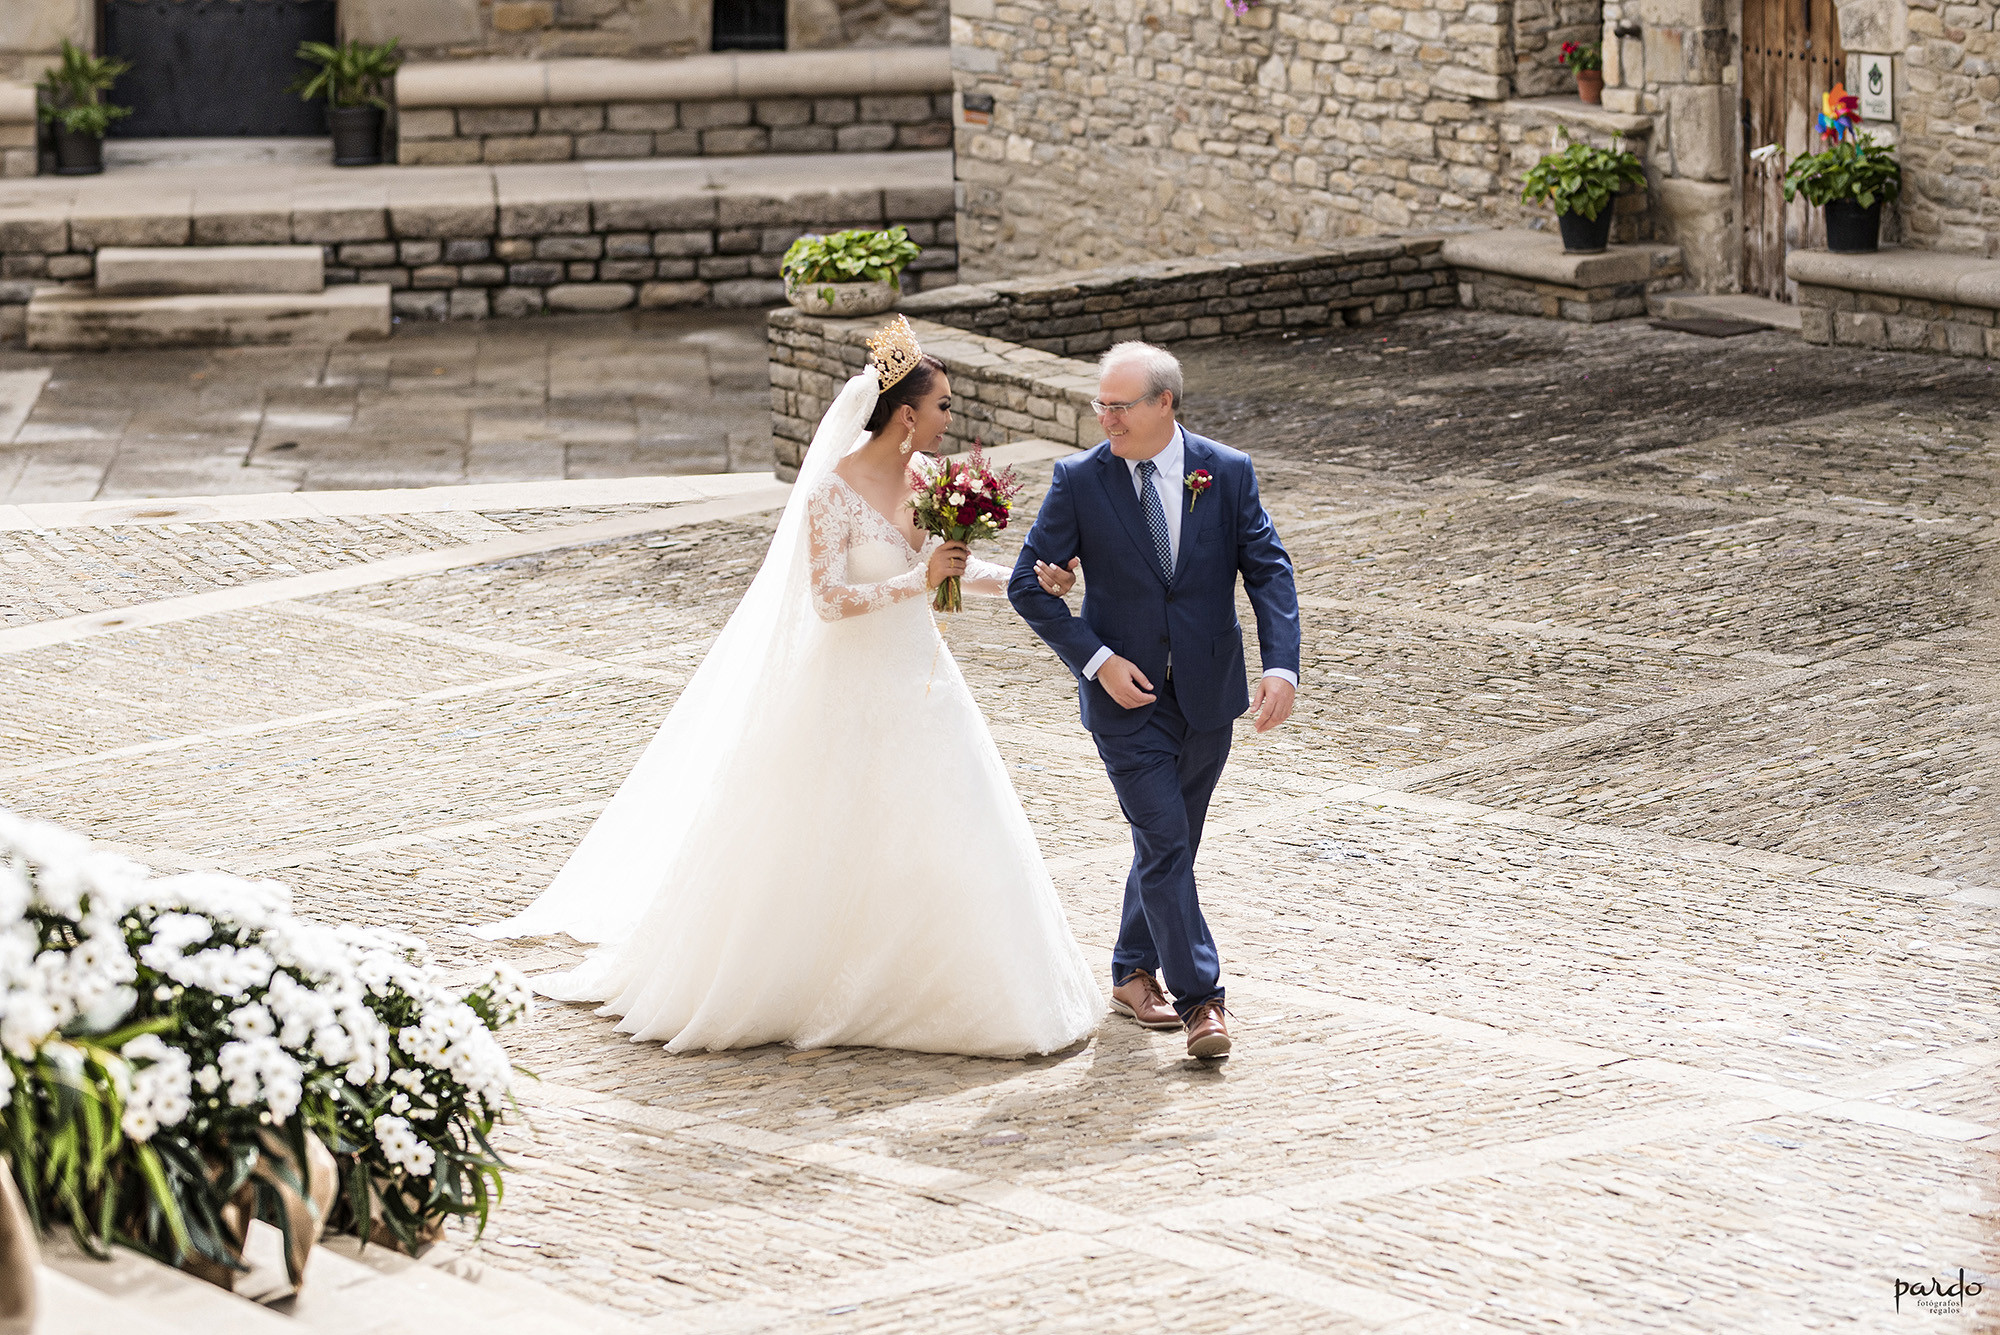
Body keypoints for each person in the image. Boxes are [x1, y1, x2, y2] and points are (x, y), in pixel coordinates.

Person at [476, 317, 1100, 1058]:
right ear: (907, 414)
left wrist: (1031, 580)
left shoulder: (931, 480)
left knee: (955, 819)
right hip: (847, 685)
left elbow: (951, 574)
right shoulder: (832, 495)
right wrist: (915, 580)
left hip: (922, 681)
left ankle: (957, 981)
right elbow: (828, 601)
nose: (951, 419)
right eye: (944, 406)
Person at [1009, 341, 1301, 1059]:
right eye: (1099, 405)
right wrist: (1097, 661)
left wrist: (1282, 666)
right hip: (1125, 702)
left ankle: (1130, 970)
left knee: (1171, 843)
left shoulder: (1225, 472)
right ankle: (1204, 1000)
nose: (1105, 418)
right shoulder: (1080, 480)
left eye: (1119, 405)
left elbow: (1267, 568)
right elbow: (1026, 583)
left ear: (1164, 403)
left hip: (1208, 693)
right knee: (1167, 842)